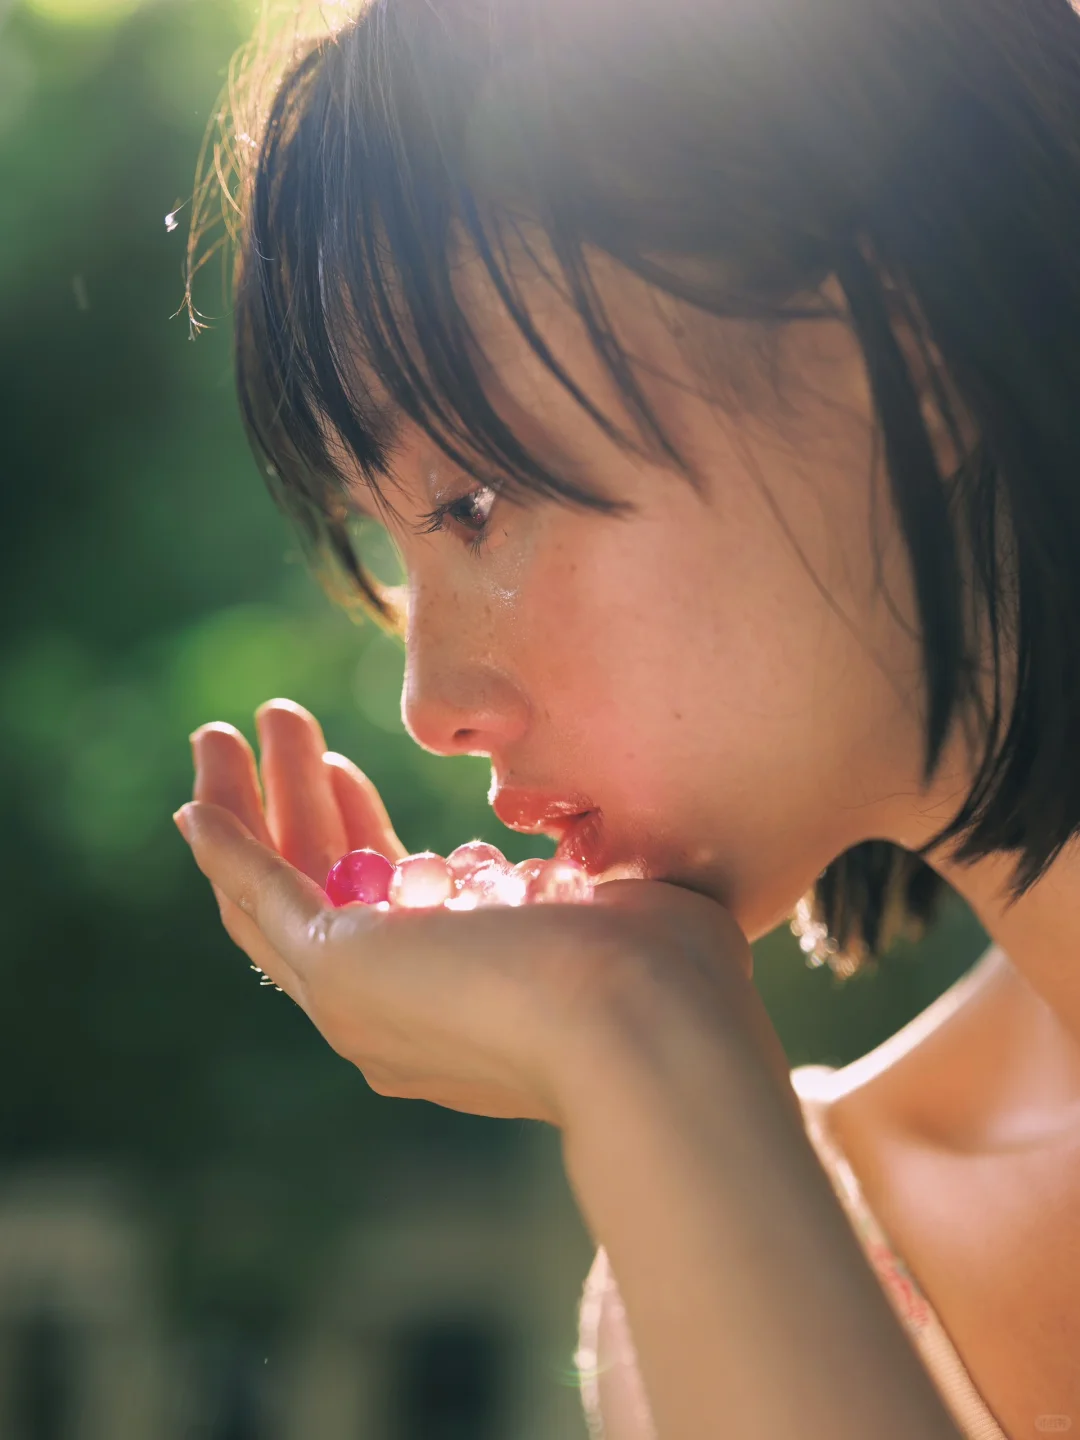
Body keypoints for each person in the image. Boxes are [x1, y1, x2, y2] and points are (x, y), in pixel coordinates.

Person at [173, 0, 1080, 1435]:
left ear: (906, 334)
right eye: (399, 561)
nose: (429, 706)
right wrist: (634, 1037)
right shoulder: (745, 1243)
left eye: (474, 503)